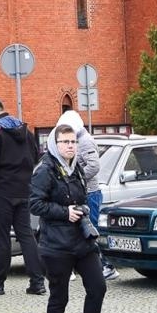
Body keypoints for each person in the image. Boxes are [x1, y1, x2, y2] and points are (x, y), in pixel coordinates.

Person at [29, 122, 110, 313]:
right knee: (59, 296)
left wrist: (81, 209)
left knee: (98, 286)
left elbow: (81, 197)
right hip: (56, 244)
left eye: (73, 142)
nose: (70, 146)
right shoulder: (45, 170)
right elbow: (35, 204)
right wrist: (65, 212)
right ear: (55, 144)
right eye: (65, 142)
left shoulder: (77, 169)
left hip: (82, 241)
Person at [0, 98, 46, 296]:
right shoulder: (24, 130)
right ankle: (37, 282)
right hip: (23, 190)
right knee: (26, 236)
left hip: (0, 192)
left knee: (1, 238)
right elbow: (35, 157)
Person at [56, 109, 117, 281]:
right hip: (83, 192)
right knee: (79, 231)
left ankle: (106, 266)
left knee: (90, 230)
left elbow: (94, 166)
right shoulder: (78, 141)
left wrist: (75, 179)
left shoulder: (85, 142)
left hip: (90, 192)